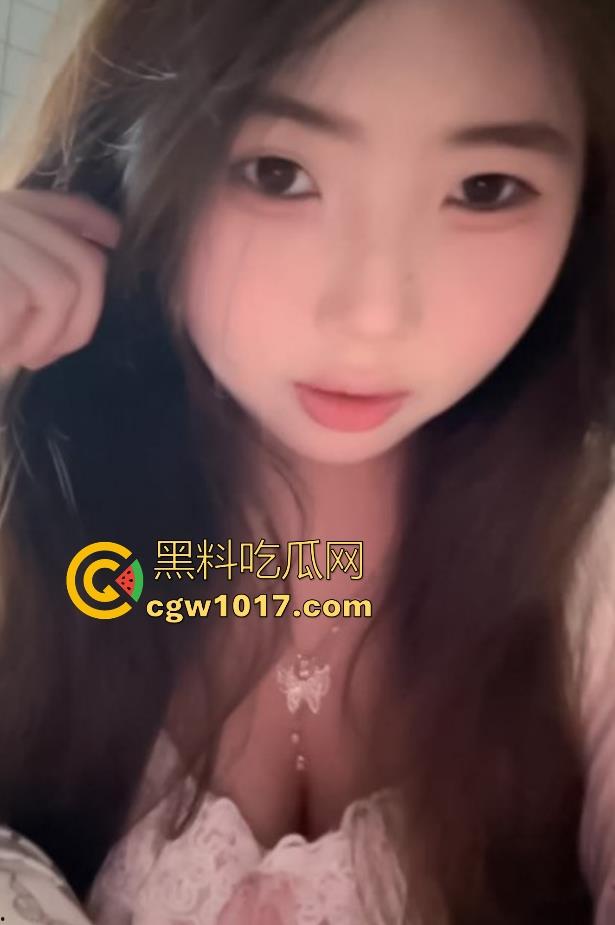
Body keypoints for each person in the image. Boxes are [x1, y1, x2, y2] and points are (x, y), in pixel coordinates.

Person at [0, 0, 613, 921]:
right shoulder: (31, 490)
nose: (373, 315)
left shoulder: (587, 547)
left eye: (485, 188)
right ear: (133, 156)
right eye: (277, 173)